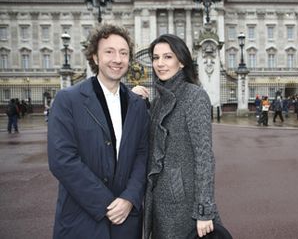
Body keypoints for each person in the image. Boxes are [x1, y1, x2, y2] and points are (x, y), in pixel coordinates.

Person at [47, 24, 150, 239]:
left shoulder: (137, 104)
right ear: (95, 57)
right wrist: (106, 203)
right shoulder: (68, 100)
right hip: (81, 218)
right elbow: (62, 160)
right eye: (109, 52)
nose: (117, 59)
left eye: (124, 53)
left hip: (126, 220)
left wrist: (130, 198)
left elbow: (142, 155)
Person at [132, 34, 221, 239]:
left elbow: (204, 156)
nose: (160, 64)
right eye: (155, 58)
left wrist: (204, 210)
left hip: (183, 203)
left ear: (181, 62)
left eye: (167, 57)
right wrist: (136, 102)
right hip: (158, 200)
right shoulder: (158, 100)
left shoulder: (194, 96)